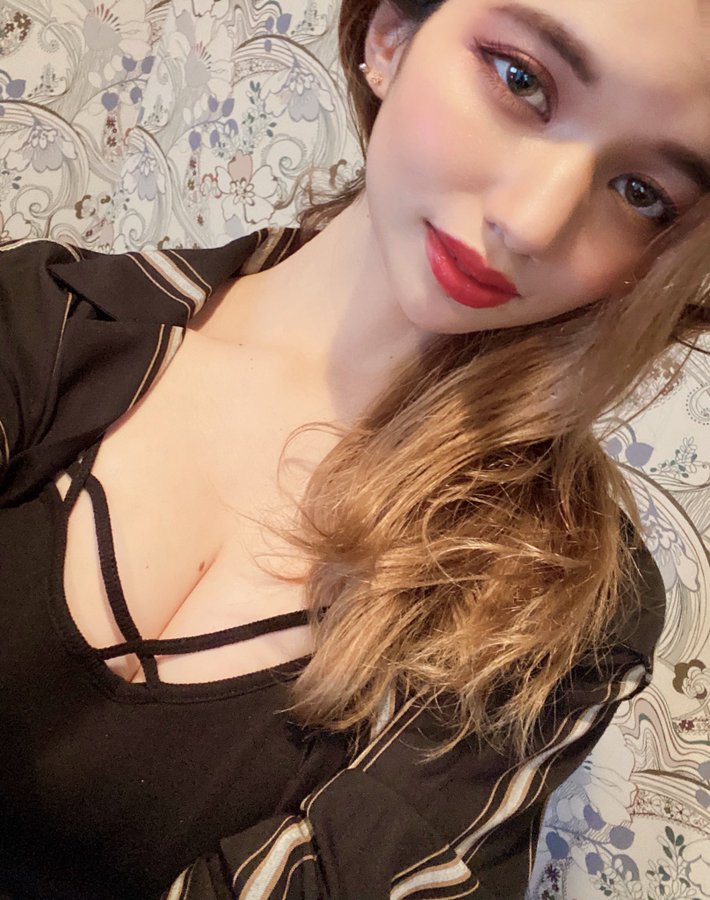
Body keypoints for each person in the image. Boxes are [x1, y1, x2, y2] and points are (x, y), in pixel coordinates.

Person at [0, 0, 709, 897]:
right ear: (389, 36)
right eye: (520, 79)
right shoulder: (42, 316)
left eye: (642, 193)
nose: (532, 223)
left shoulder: (565, 596)